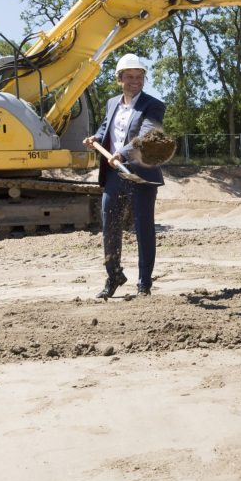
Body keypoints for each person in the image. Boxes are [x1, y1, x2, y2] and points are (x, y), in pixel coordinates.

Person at [83, 53, 166, 298]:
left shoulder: (153, 105)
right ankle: (114, 276)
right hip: (113, 175)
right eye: (129, 77)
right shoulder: (112, 103)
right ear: (119, 79)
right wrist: (97, 138)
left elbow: (147, 136)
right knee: (110, 226)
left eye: (139, 77)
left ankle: (144, 283)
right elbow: (107, 125)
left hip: (140, 174)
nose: (135, 81)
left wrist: (121, 153)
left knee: (143, 228)